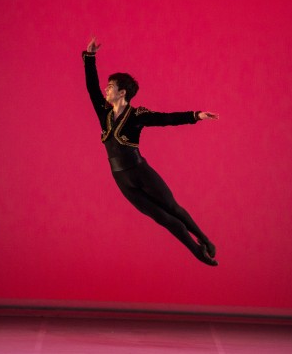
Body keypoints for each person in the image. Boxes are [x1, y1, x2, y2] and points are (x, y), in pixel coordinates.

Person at [82, 37, 218, 266]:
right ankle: (197, 251)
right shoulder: (103, 113)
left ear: (122, 92)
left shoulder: (137, 115)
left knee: (172, 208)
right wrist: (90, 58)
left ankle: (204, 238)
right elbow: (91, 87)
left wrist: (195, 115)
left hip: (140, 171)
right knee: (163, 219)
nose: (106, 89)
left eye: (111, 87)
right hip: (121, 179)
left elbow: (166, 119)